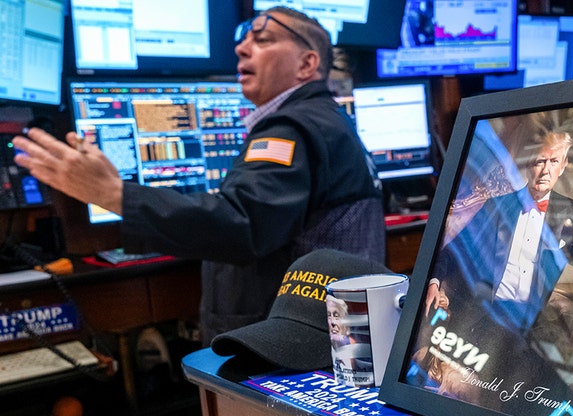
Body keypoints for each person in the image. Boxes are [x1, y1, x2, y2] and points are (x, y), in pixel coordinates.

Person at [12, 6, 385, 343]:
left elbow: (242, 224)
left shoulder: (291, 127)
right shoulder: (328, 119)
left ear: (306, 64)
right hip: (326, 331)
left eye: (264, 39)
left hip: (283, 341)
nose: (241, 49)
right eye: (244, 41)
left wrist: (114, 194)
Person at [411, 130, 573, 416]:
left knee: (557, 396)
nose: (546, 170)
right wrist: (434, 282)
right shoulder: (499, 206)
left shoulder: (568, 212)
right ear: (527, 164)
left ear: (563, 166)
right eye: (539, 161)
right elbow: (452, 253)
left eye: (554, 161)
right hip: (482, 317)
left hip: (531, 324)